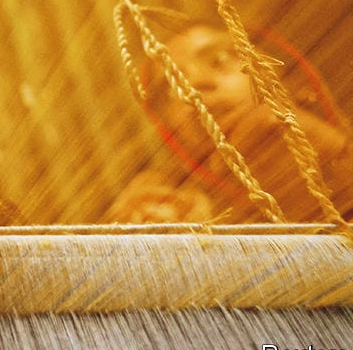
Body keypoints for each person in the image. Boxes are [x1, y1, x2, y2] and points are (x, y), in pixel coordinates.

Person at [105, 19, 353, 224]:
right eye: (171, 88)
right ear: (180, 144)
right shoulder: (196, 226)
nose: (193, 87)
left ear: (291, 80)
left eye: (219, 60)